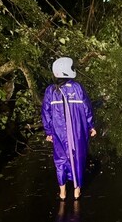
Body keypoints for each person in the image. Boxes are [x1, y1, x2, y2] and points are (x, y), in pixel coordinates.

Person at [41, 57, 96, 201]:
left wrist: (48, 131)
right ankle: (77, 192)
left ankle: (62, 193)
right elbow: (87, 108)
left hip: (58, 132)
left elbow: (45, 112)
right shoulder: (77, 88)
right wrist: (91, 126)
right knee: (78, 158)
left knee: (60, 160)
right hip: (78, 131)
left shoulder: (50, 90)